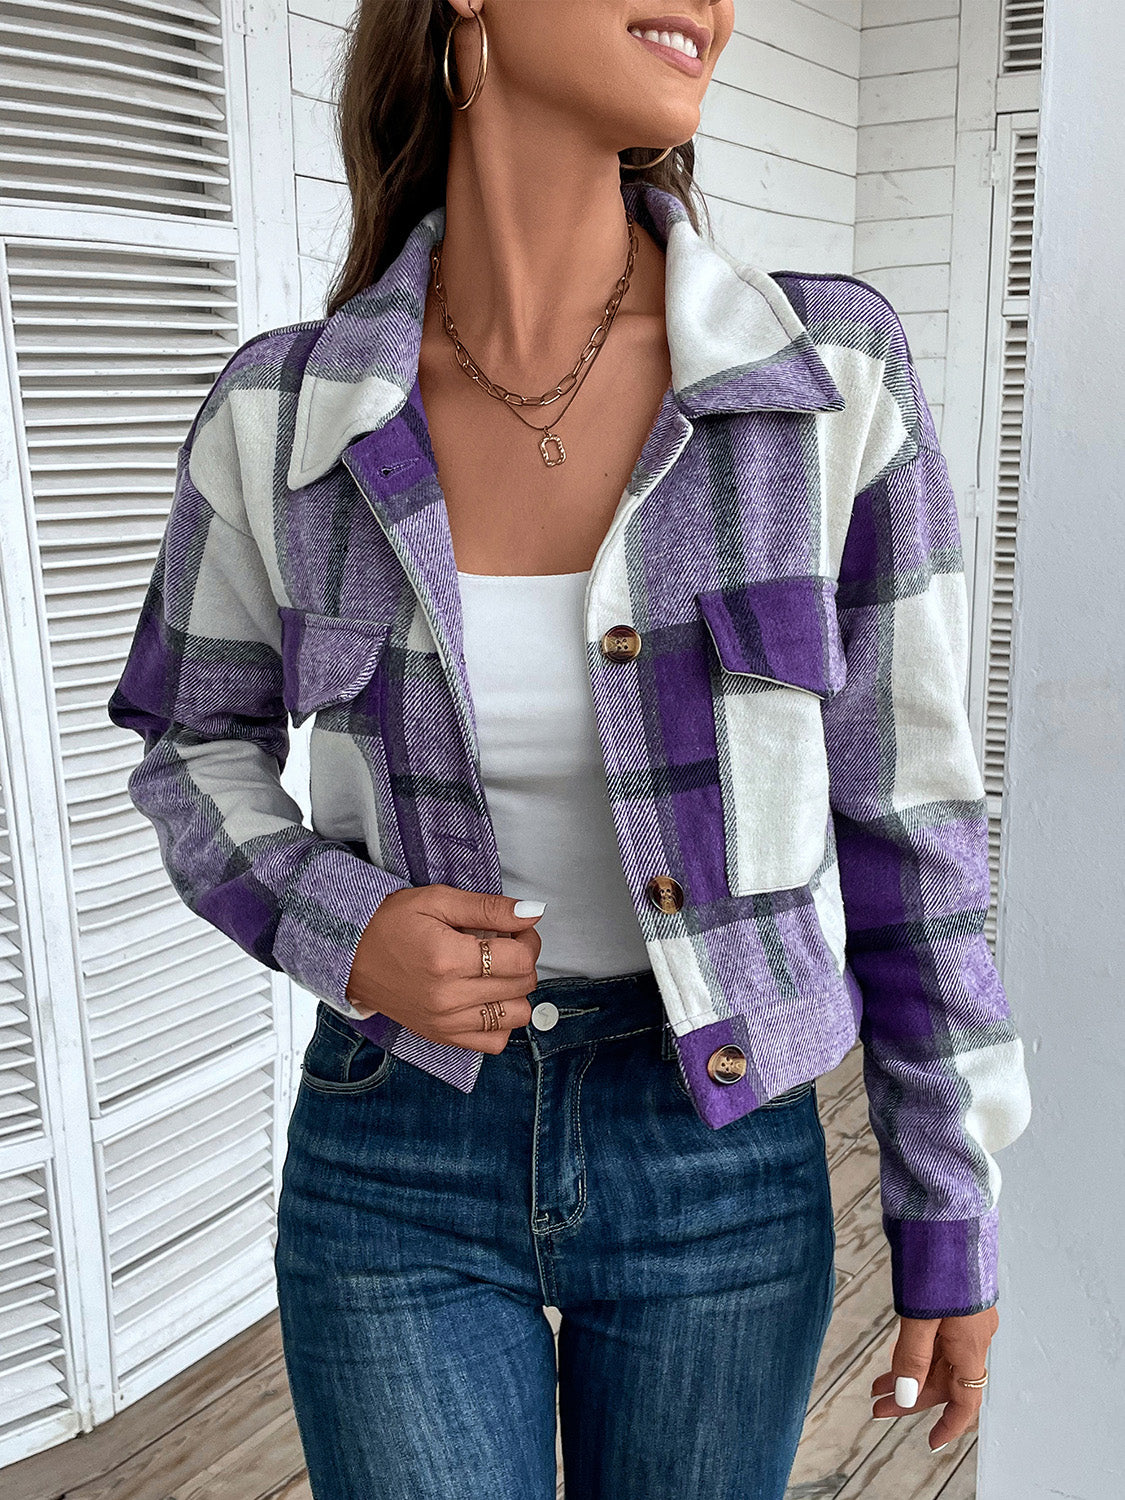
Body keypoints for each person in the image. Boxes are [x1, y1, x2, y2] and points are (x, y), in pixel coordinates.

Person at [107, 2, 1034, 1495]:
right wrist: (343, 926)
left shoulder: (823, 377)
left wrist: (946, 1203)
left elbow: (911, 827)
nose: (713, 5)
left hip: (718, 1149)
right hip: (395, 1147)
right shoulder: (283, 413)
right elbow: (185, 740)